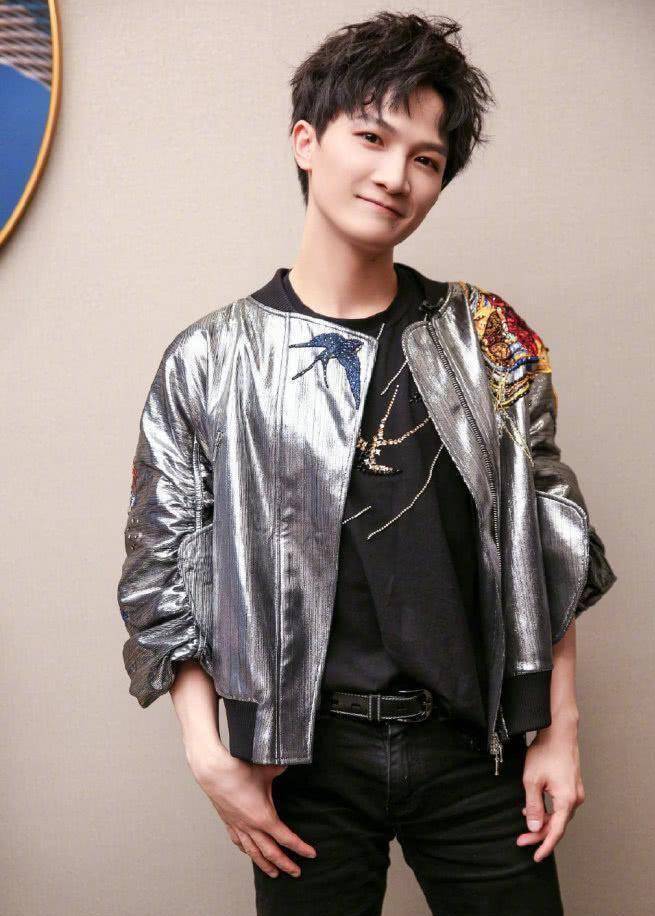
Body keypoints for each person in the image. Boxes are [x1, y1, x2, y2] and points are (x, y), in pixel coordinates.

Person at [117, 11, 617, 916]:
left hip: (473, 748)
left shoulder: (485, 335)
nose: (396, 176)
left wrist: (559, 727)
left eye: (426, 158)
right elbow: (164, 563)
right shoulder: (211, 358)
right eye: (373, 138)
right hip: (301, 762)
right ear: (306, 142)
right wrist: (207, 752)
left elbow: (548, 532)